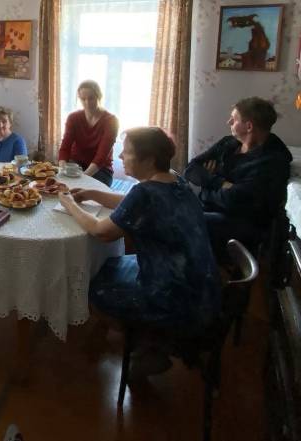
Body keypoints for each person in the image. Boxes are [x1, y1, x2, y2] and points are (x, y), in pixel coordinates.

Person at [58, 127, 220, 374]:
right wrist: (92, 194)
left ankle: (155, 340)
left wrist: (69, 204)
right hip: (203, 287)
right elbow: (131, 205)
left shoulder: (145, 193)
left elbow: (101, 231)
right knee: (111, 263)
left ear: (149, 160)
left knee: (91, 290)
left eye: (127, 152)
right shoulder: (175, 179)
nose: (120, 156)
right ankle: (155, 341)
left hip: (174, 296)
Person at [184, 96, 291, 257]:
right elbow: (191, 169)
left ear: (249, 126)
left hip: (241, 223)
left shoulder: (273, 161)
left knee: (183, 223)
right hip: (211, 207)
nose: (228, 122)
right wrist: (220, 182)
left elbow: (234, 200)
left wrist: (207, 186)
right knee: (168, 211)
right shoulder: (228, 143)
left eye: (233, 119)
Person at [58, 80, 119, 186]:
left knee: (89, 190)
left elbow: (101, 156)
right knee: (61, 186)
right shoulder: (73, 118)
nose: (87, 103)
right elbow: (65, 148)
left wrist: (83, 179)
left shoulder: (111, 120)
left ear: (99, 97)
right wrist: (63, 170)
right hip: (75, 164)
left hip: (100, 168)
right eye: (83, 99)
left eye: (91, 98)